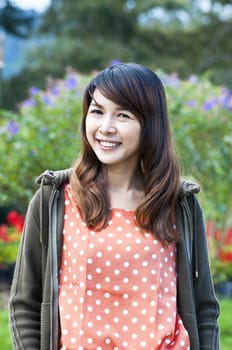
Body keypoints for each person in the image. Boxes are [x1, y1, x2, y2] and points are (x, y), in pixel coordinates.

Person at [9, 62, 220, 349]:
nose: (106, 128)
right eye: (97, 112)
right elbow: (25, 304)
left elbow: (204, 307)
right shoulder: (55, 199)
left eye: (123, 115)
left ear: (150, 124)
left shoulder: (178, 204)